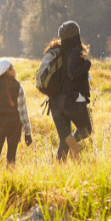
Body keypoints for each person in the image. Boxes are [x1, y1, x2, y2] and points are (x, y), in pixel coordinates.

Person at [46, 20, 92, 161]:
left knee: (63, 140)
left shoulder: (56, 51)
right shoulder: (74, 51)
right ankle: (73, 143)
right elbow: (72, 72)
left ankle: (59, 172)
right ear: (77, 35)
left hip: (54, 102)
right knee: (85, 130)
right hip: (71, 99)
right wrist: (87, 64)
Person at [0, 59, 32, 169]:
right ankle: (9, 182)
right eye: (12, 68)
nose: (14, 70)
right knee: (11, 159)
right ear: (7, 71)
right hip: (14, 127)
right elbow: (23, 113)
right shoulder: (18, 86)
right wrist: (28, 133)